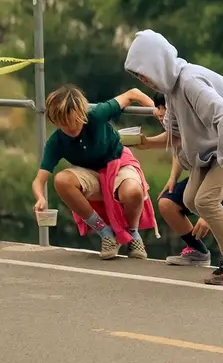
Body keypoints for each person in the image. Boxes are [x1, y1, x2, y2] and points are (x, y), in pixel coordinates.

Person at [124, 29, 223, 285]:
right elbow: (175, 133)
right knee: (190, 199)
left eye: (143, 71)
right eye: (137, 74)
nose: (142, 78)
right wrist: (147, 141)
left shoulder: (190, 82)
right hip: (216, 145)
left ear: (157, 63)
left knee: (206, 200)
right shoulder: (171, 89)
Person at [31, 84, 159, 259]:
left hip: (118, 162)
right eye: (63, 124)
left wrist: (158, 112)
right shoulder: (56, 142)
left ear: (82, 113)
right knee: (61, 180)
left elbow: (132, 94)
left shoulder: (97, 115)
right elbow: (39, 179)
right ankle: (106, 234)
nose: (70, 127)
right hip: (91, 174)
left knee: (133, 191)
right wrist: (40, 197)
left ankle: (133, 234)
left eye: (74, 120)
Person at [138, 93, 223, 272]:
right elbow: (177, 149)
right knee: (167, 203)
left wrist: (206, 212)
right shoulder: (176, 125)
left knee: (221, 213)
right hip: (202, 176)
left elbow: (216, 166)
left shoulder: (196, 125)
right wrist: (172, 178)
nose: (158, 112)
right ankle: (197, 252)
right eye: (157, 108)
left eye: (162, 108)